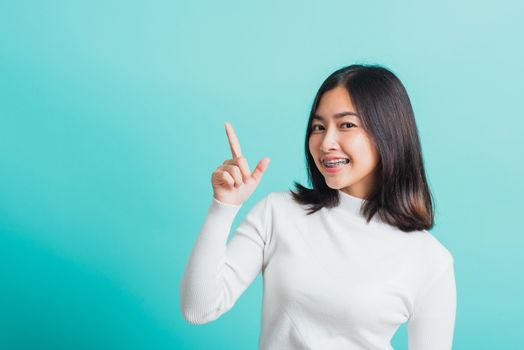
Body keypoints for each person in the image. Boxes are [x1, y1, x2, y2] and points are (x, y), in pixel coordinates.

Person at [180, 64, 457, 350]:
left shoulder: (430, 260)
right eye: (318, 127)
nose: (326, 143)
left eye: (346, 125)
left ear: (388, 133)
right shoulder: (277, 213)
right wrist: (223, 207)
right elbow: (198, 308)